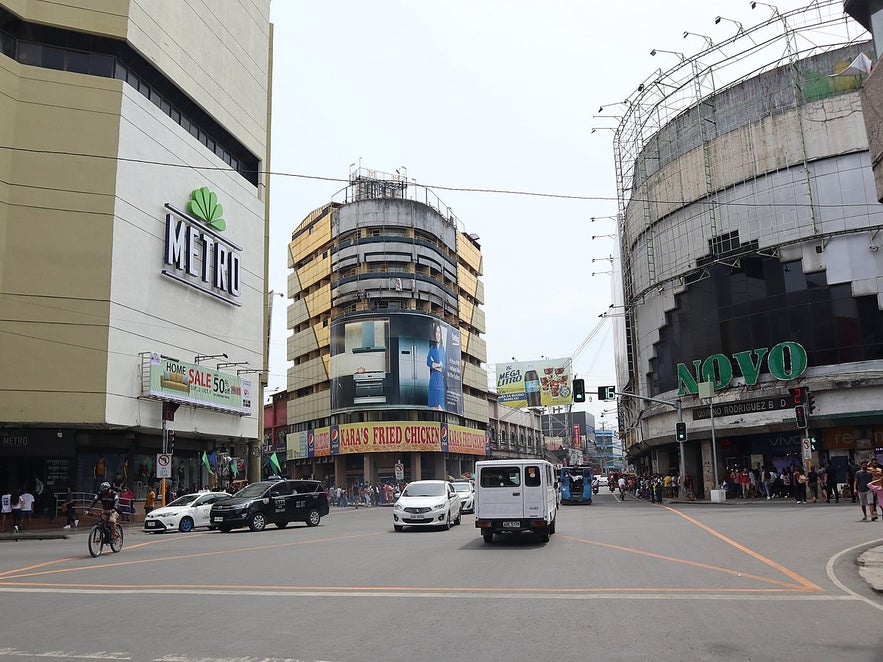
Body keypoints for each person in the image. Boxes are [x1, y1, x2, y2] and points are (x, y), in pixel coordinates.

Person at [426, 323, 446, 410]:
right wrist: (437, 365)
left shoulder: (442, 349)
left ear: (441, 334)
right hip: (433, 378)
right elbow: (428, 362)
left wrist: (435, 365)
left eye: (439, 332)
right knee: (434, 405)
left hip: (440, 379)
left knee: (440, 405)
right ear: (434, 334)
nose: (437, 334)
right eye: (436, 332)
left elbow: (443, 367)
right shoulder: (432, 348)